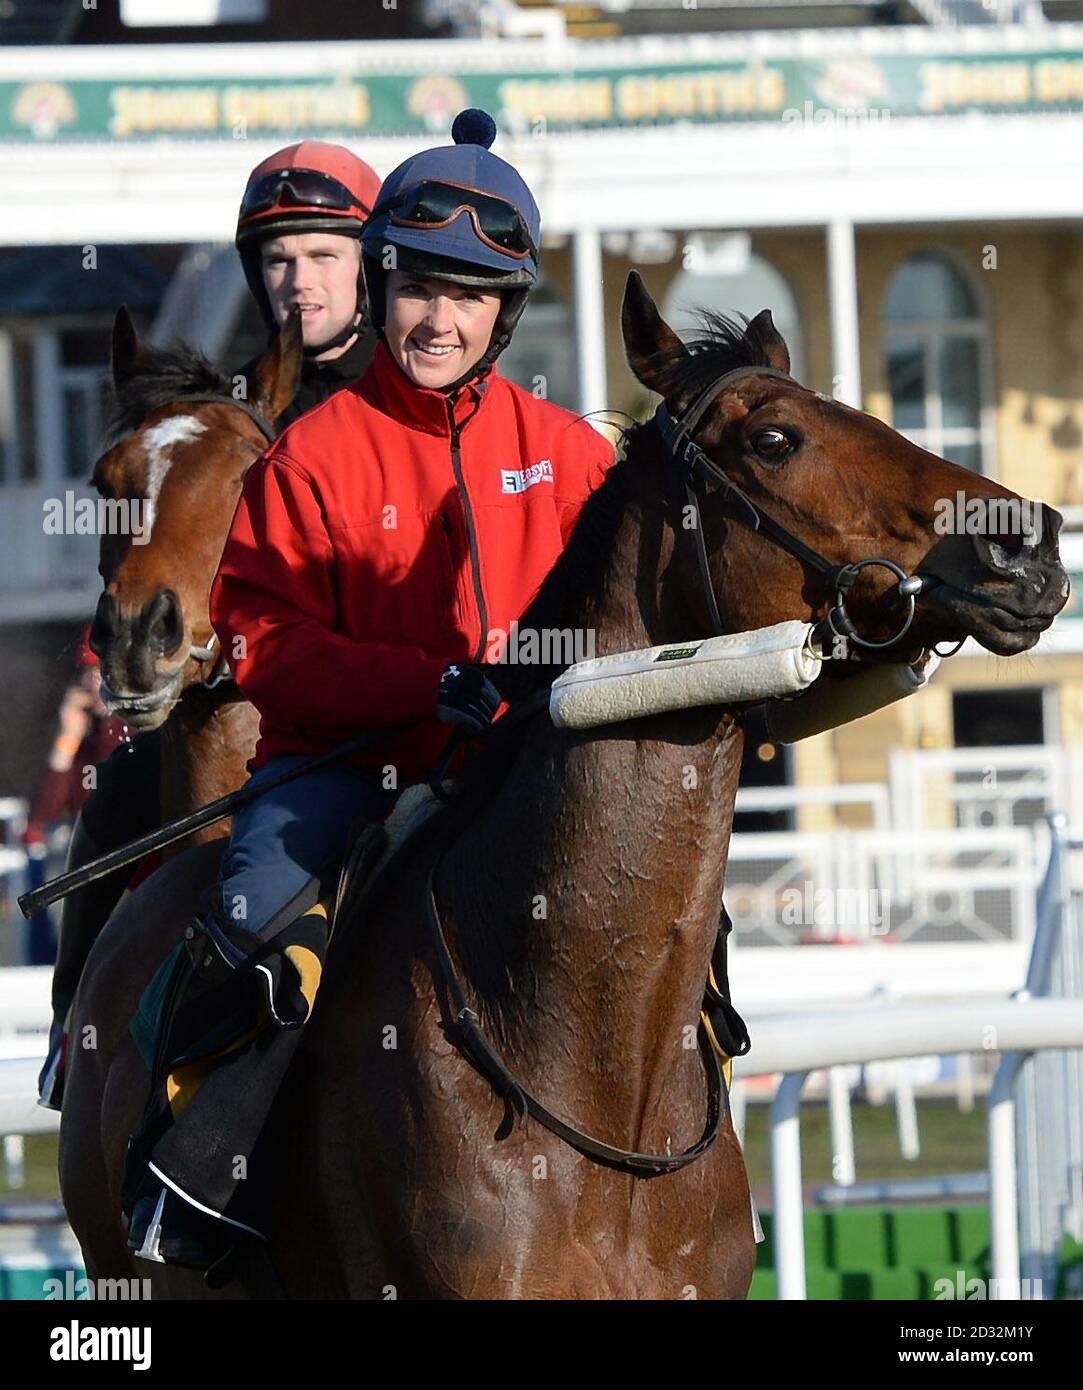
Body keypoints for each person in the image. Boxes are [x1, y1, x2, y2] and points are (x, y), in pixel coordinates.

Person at [122, 108, 615, 1273]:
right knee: (250, 927)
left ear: (505, 315)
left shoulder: (578, 454)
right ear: (383, 287)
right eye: (418, 289)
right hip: (342, 772)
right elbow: (264, 640)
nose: (438, 321)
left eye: (471, 296)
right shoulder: (311, 452)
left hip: (531, 766)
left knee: (680, 921)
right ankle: (196, 1191)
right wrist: (425, 680)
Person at [37, 142, 383, 1112]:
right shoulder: (227, 411)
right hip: (246, 708)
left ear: (367, 263)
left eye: (322, 255)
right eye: (277, 261)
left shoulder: (409, 387)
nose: (298, 281)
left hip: (389, 708)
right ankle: (77, 1038)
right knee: (113, 800)